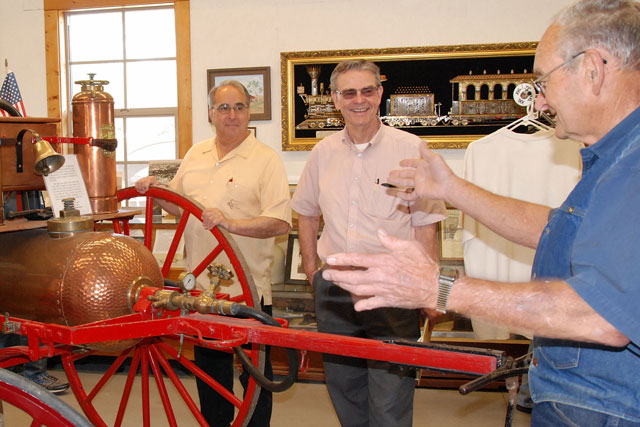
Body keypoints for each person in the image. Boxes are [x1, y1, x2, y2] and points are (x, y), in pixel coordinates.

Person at [322, 1, 640, 425]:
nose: (540, 102)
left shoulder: (633, 164)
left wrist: (439, 287)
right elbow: (559, 229)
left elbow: (599, 315)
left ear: (594, 69)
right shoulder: (612, 158)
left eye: (544, 81)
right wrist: (452, 189)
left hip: (610, 407)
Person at [292, 59, 446, 427]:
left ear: (379, 94)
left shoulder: (411, 149)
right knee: (345, 390)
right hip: (336, 288)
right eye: (348, 92)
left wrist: (430, 290)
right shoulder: (322, 153)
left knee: (390, 398)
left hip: (393, 288)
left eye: (366, 90)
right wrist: (313, 270)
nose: (358, 99)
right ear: (335, 99)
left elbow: (426, 224)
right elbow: (306, 213)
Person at [135, 80, 291, 427]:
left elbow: (280, 223)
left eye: (238, 107)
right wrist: (156, 192)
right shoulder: (196, 154)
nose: (231, 115)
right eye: (223, 108)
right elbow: (180, 208)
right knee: (210, 376)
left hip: (247, 290)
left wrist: (231, 224)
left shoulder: (266, 160)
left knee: (255, 380)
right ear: (211, 113)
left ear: (249, 111)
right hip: (201, 292)